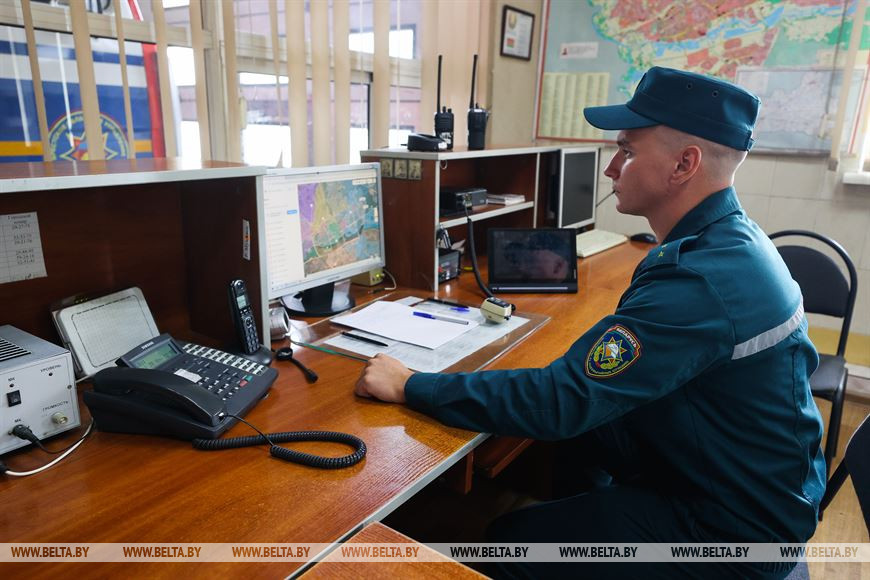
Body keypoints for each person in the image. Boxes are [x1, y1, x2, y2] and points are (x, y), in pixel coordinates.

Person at [355, 67, 826, 578]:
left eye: (626, 150)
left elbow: (562, 400)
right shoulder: (728, 241)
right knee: (577, 444)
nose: (611, 168)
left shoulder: (700, 278)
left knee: (508, 540)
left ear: (684, 164)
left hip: (733, 530)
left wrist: (412, 385)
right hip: (743, 481)